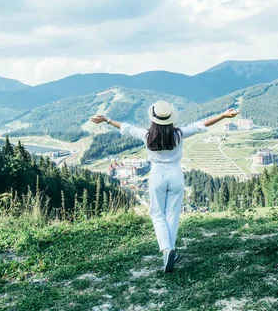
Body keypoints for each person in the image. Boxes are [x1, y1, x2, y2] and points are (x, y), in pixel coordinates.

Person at [90, 101, 239, 272]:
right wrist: (223, 115)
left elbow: (126, 127)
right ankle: (171, 252)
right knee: (172, 214)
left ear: (153, 119)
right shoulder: (179, 135)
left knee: (157, 213)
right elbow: (200, 125)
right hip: (175, 175)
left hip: (157, 175)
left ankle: (167, 249)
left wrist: (107, 120)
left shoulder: (146, 136)